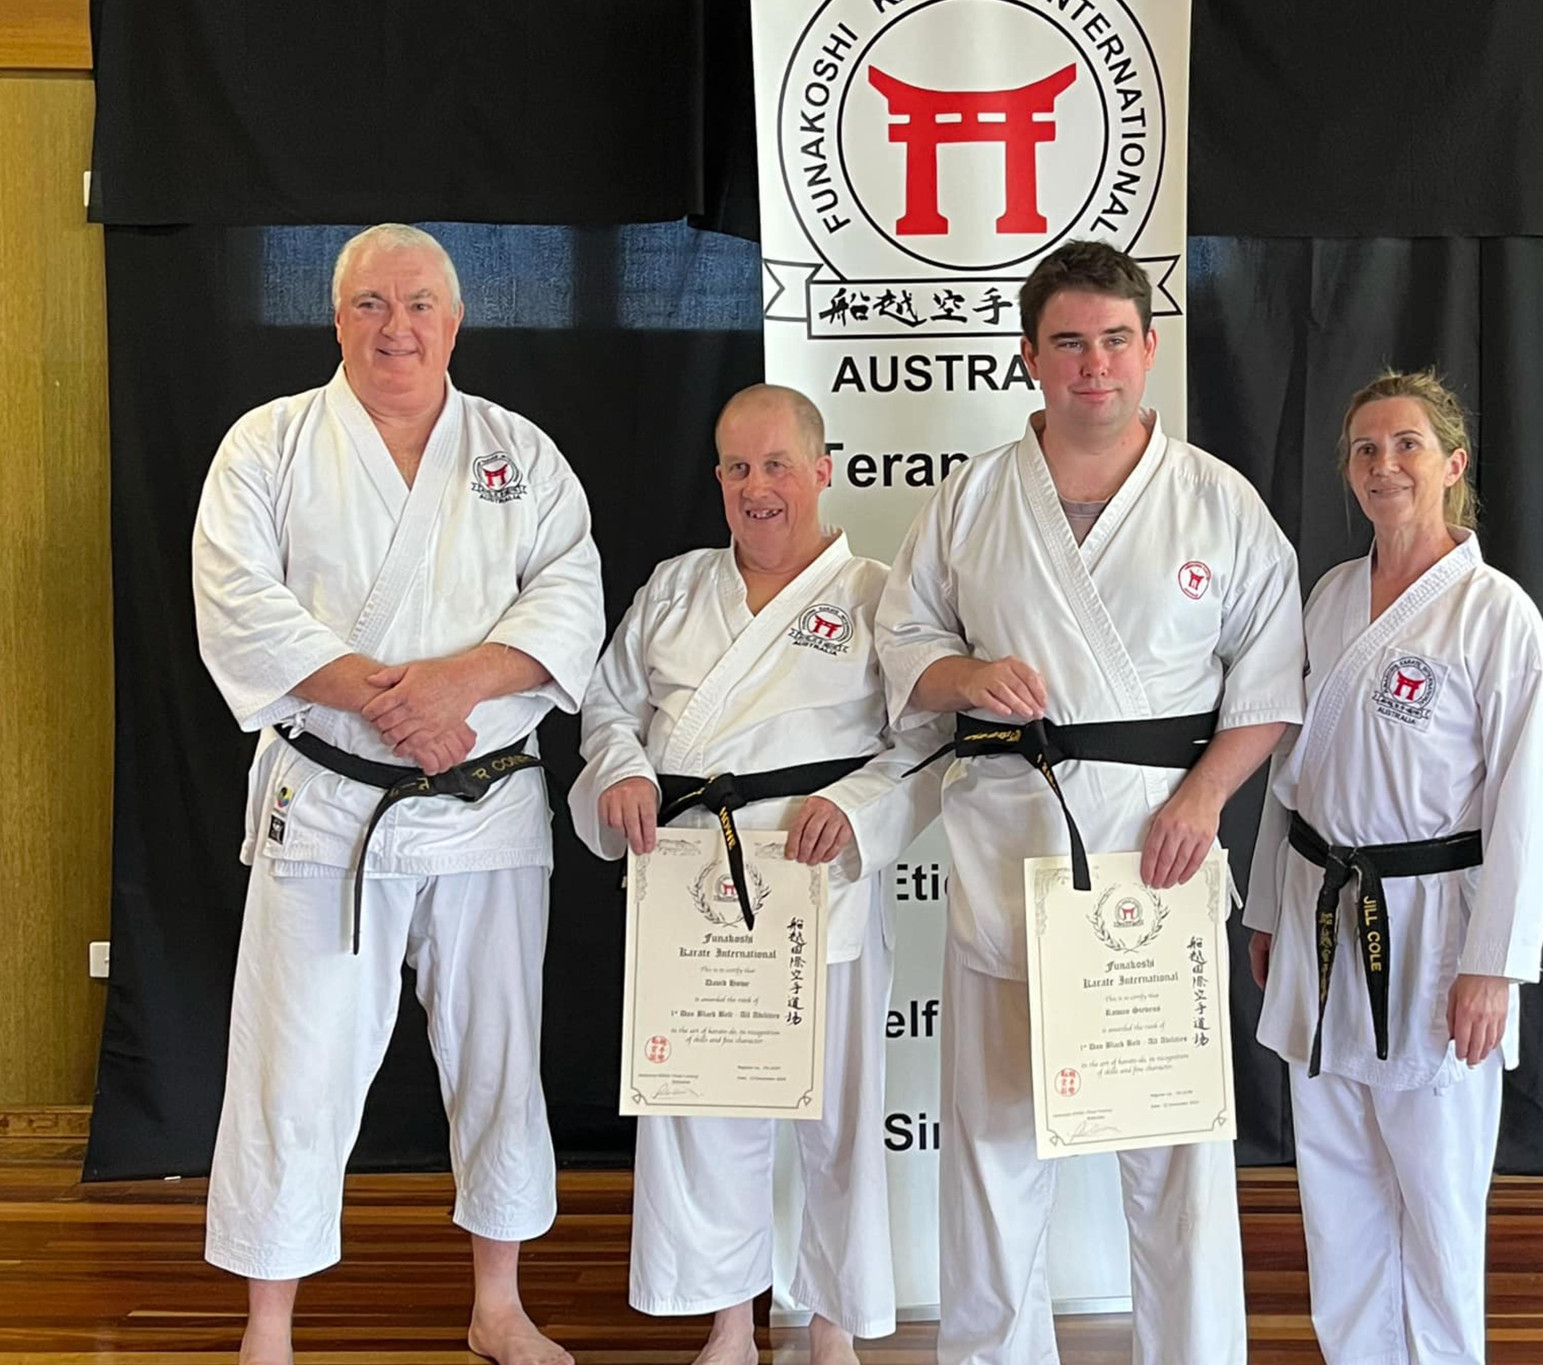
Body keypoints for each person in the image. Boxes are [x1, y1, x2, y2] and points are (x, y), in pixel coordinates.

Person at [875, 239, 1306, 1365]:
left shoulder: (1217, 503)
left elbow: (1267, 683)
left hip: (1152, 863)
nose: (1093, 365)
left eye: (1115, 340)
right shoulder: (972, 497)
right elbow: (905, 640)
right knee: (989, 1150)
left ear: (1149, 351)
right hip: (1003, 853)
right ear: (1029, 357)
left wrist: (1204, 799)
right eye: (1067, 342)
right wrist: (965, 678)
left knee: (1174, 1157)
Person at [191, 223, 604, 1365]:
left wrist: (456, 686)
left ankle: (498, 1307)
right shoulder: (267, 446)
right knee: (294, 1062)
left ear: (454, 320)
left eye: (418, 303)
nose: (396, 327)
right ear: (336, 320)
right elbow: (238, 605)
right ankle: (266, 1327)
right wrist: (390, 700)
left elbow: (570, 598)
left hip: (484, 803)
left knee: (496, 1061)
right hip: (327, 800)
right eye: (370, 304)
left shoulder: (517, 451)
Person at [571, 384, 944, 1365]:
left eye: (777, 465)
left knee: (835, 1118)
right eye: (737, 467)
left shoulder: (874, 595)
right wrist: (622, 771)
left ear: (824, 472)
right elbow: (608, 705)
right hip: (689, 877)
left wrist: (854, 807)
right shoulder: (675, 586)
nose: (756, 488)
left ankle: (830, 1330)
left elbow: (922, 743)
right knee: (701, 1109)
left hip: (814, 883)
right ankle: (729, 1324)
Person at [1244, 370, 1543, 1365]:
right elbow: (1288, 766)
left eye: (1406, 446)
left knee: (1432, 1187)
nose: (1383, 465)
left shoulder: (1493, 614)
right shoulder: (1331, 595)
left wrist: (1494, 963)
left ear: (1451, 465)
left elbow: (1525, 800)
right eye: (1365, 449)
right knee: (1334, 1181)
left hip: (1431, 926)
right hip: (1318, 909)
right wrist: (1263, 909)